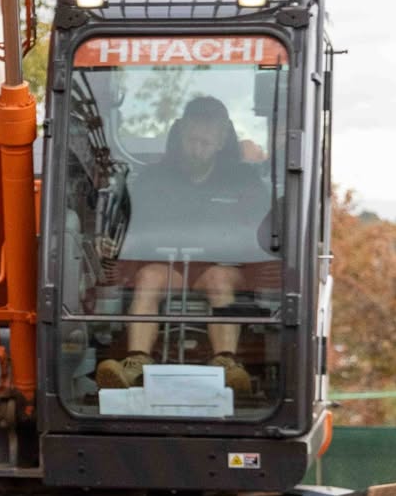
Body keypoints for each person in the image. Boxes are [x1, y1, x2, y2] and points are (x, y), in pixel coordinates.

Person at [95, 95, 269, 396]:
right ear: (180, 133)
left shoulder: (244, 181)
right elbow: (129, 229)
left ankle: (227, 365)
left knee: (219, 279)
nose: (197, 147)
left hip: (222, 269)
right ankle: (136, 363)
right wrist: (112, 245)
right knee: (149, 277)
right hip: (168, 267)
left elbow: (261, 235)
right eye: (191, 140)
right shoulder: (152, 179)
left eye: (205, 141)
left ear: (221, 140)